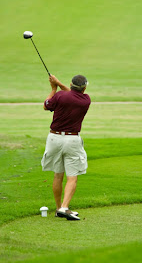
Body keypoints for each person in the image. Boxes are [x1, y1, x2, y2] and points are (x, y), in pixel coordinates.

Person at [41, 74, 91, 221]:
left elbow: (46, 105)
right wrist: (58, 85)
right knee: (72, 176)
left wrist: (53, 88)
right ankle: (64, 207)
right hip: (72, 140)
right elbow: (71, 94)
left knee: (58, 174)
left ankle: (59, 209)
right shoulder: (86, 100)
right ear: (85, 87)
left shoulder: (60, 96)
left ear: (71, 84)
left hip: (54, 139)